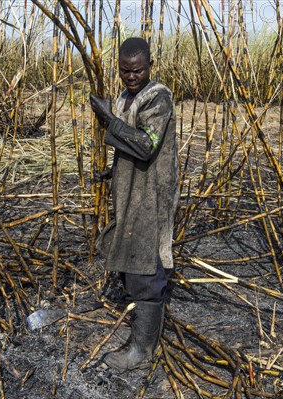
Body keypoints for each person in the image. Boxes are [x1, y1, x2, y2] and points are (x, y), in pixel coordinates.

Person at [90, 37, 179, 372]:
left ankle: (141, 352)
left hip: (151, 197)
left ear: (150, 65)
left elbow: (146, 146)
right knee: (132, 262)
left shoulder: (158, 97)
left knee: (146, 267)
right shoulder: (130, 96)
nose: (131, 77)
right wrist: (113, 171)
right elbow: (130, 148)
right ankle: (139, 342)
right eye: (125, 71)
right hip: (131, 195)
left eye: (137, 70)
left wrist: (108, 119)